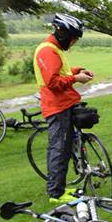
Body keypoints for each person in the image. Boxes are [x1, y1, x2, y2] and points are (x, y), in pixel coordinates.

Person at [34, 13, 94, 203]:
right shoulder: (47, 51)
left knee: (65, 148)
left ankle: (59, 189)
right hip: (57, 107)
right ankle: (56, 194)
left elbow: (61, 72)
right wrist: (76, 79)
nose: (74, 42)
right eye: (73, 38)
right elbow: (52, 82)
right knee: (59, 149)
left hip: (65, 104)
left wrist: (77, 71)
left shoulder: (55, 49)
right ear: (62, 33)